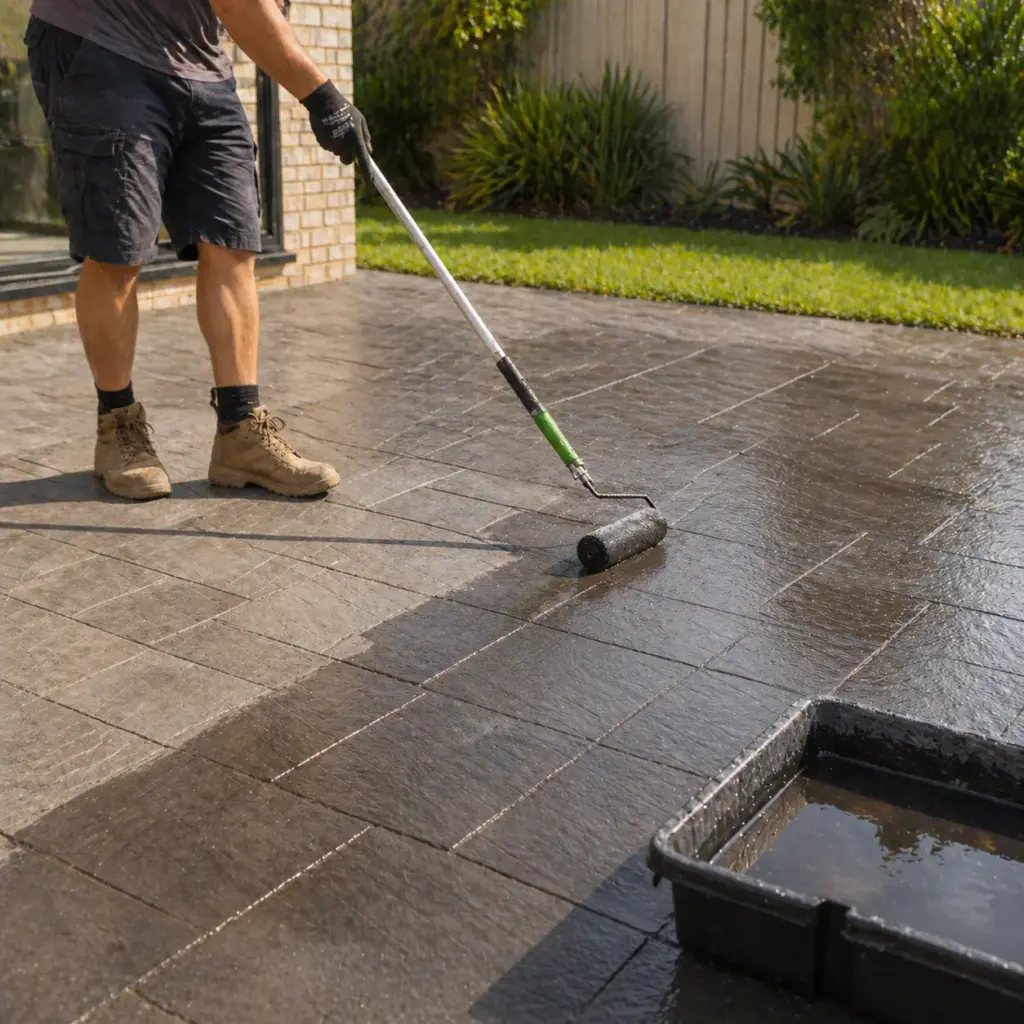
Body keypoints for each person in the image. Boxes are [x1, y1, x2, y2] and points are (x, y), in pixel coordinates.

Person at [23, 0, 372, 500]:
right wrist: (322, 96)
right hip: (102, 42)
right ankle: (117, 427)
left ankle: (241, 434)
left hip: (201, 63)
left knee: (232, 241)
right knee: (118, 250)